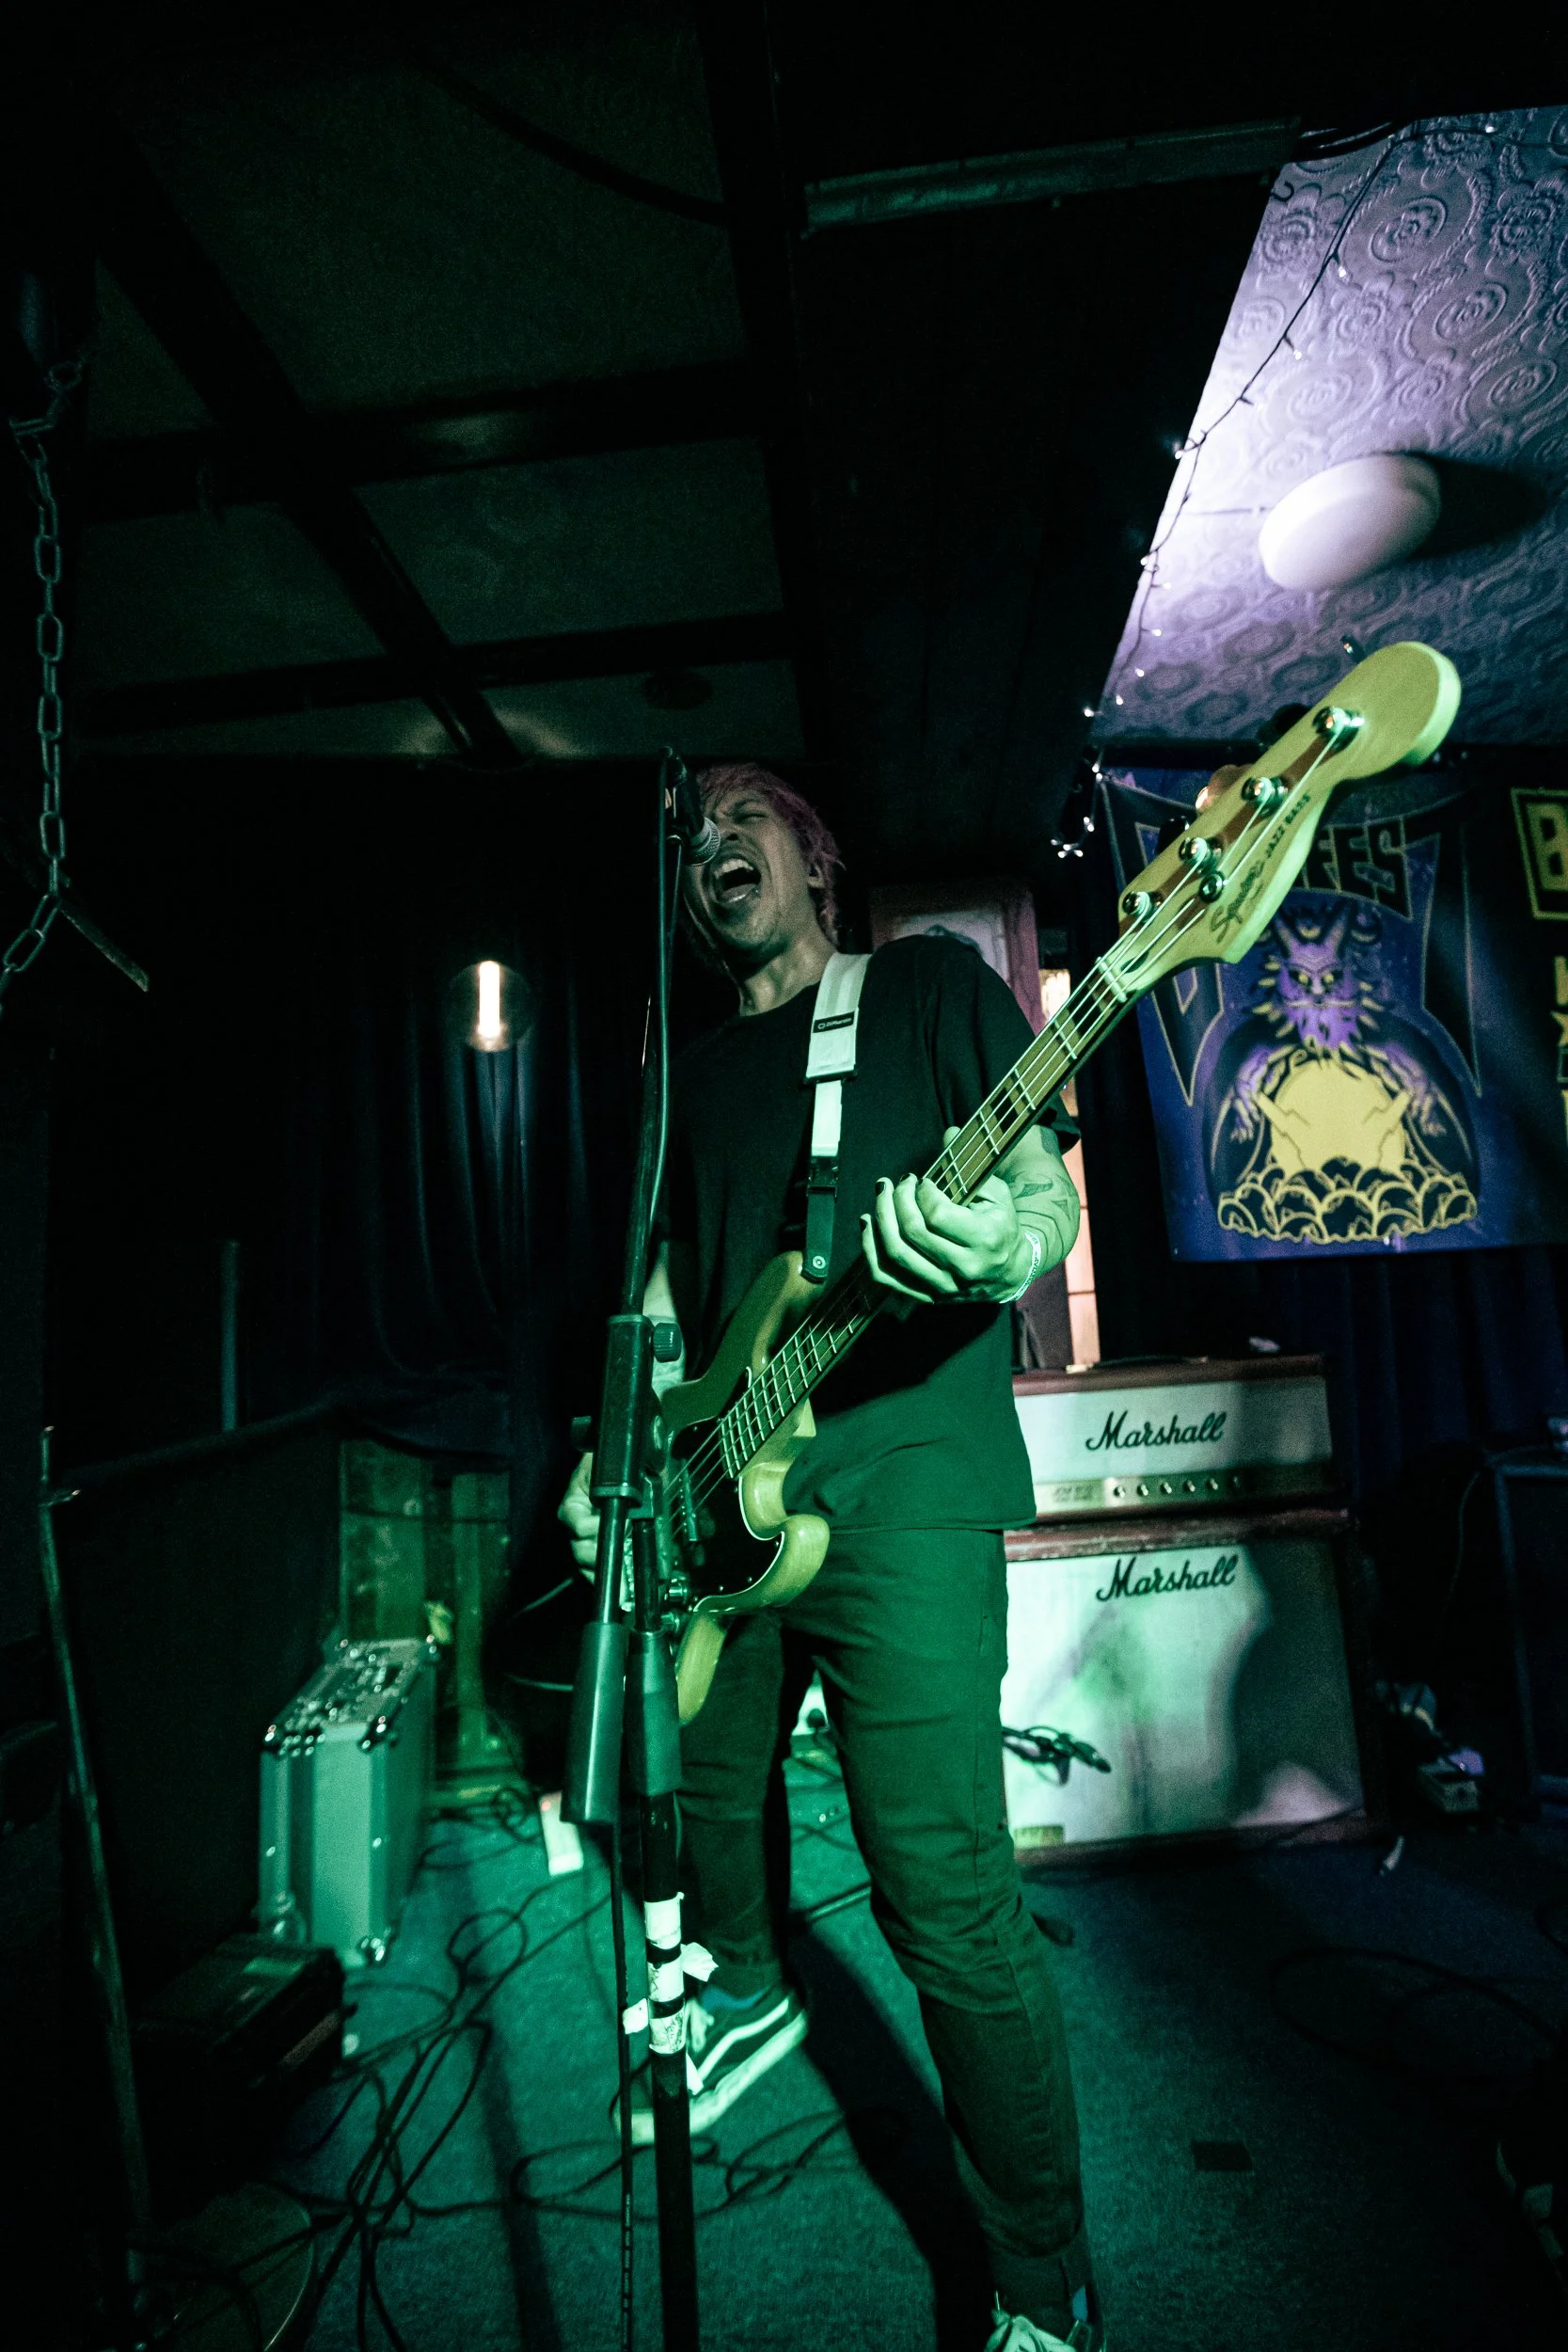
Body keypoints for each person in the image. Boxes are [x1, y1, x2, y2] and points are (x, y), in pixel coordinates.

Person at [561, 763, 1099, 2352]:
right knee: (708, 1788)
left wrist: (1005, 1243)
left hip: (907, 1476)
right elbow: (672, 1303)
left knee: (942, 1891)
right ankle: (741, 1986)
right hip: (726, 1496)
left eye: (743, 820)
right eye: (690, 839)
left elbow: (1033, 1200)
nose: (710, 847)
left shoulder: (926, 985)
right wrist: (620, 1457)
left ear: (814, 858)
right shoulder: (688, 1072)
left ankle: (1035, 2283)